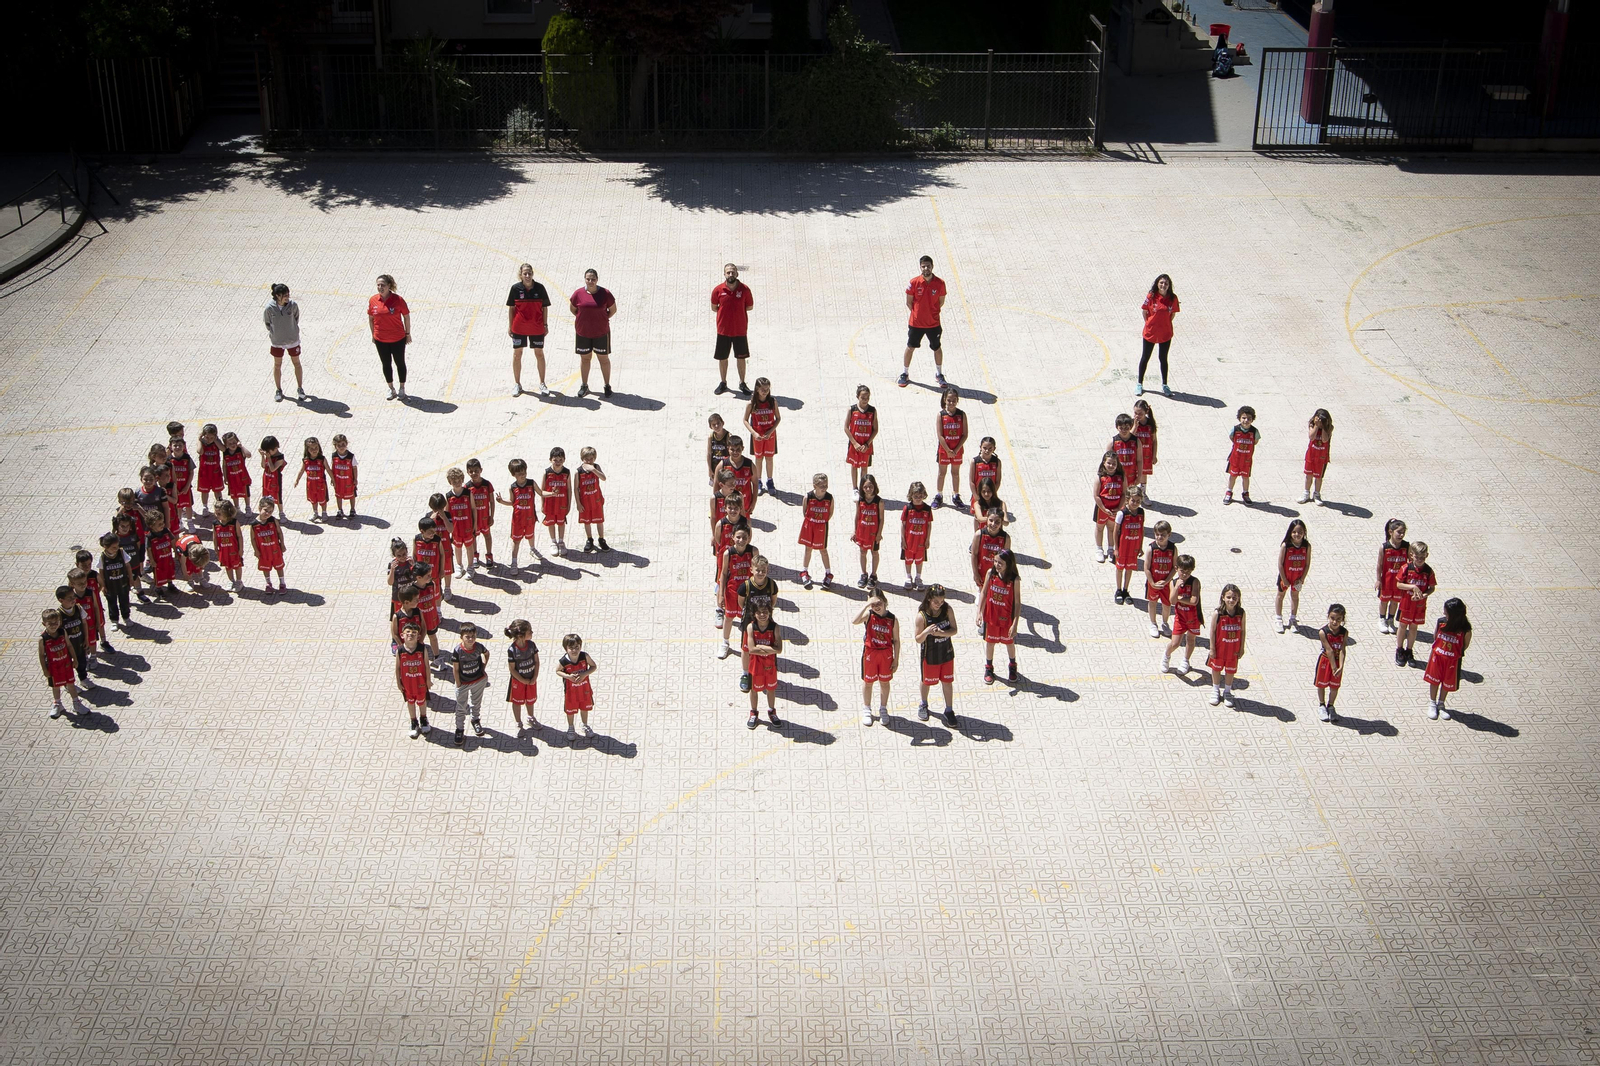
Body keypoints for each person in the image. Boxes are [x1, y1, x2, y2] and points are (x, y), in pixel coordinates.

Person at [854, 588, 900, 725]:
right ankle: (867, 709)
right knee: (868, 682)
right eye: (873, 605)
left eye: (878, 603)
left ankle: (883, 709)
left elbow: (896, 640)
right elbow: (854, 621)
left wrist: (896, 659)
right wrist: (866, 605)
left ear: (885, 602)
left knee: (884, 683)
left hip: (886, 654)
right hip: (870, 653)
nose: (876, 607)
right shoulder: (869, 615)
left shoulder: (892, 619)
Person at [900, 255, 948, 388]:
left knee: (936, 348)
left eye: (928, 266)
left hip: (933, 324)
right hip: (916, 324)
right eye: (923, 266)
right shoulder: (914, 282)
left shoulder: (940, 283)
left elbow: (941, 302)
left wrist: (931, 313)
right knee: (910, 347)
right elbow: (909, 302)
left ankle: (939, 374)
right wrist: (917, 314)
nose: (926, 268)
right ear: (920, 267)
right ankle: (904, 373)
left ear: (932, 266)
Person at [506, 262, 552, 397]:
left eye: (529, 273)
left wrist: (545, 325)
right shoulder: (515, 289)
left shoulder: (540, 288)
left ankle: (542, 383)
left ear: (532, 274)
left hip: (537, 327)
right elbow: (511, 308)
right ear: (520, 275)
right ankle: (517, 384)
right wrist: (510, 326)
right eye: (525, 273)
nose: (527, 275)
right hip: (519, 328)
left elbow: (544, 308)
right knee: (517, 354)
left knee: (539, 354)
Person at [569, 268, 616, 398]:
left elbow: (612, 310)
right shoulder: (578, 293)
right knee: (585, 359)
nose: (590, 281)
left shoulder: (605, 293)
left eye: (593, 279)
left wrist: (602, 318)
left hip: (601, 332)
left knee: (604, 359)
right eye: (588, 279)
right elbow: (573, 309)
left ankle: (607, 386)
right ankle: (584, 385)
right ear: (585, 279)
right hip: (583, 332)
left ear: (597, 280)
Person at [977, 547, 1021, 684]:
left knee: (1009, 643)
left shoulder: (1015, 579)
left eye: (1000, 563)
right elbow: (984, 593)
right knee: (990, 643)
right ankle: (989, 668)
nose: (997, 565)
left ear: (1009, 564)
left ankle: (1012, 666)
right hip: (991, 617)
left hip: (1006, 618)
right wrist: (979, 611)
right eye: (995, 561)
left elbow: (1018, 603)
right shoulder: (991, 573)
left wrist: (1015, 624)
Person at [915, 584, 958, 725]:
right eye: (936, 602)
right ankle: (923, 704)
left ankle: (949, 710)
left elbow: (954, 630)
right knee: (926, 681)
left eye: (941, 601)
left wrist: (941, 633)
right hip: (930, 655)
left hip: (946, 653)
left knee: (947, 682)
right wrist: (926, 632)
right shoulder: (922, 617)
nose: (939, 605)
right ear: (929, 599)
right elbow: (918, 639)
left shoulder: (947, 610)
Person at [1424, 597, 1471, 720]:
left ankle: (1441, 704)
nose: (1444, 613)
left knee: (1447, 682)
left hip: (1452, 661)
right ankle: (1432, 703)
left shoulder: (1465, 629)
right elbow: (1435, 637)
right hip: (1437, 657)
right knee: (1434, 680)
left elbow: (1465, 645)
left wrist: (1452, 654)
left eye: (1446, 612)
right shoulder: (1441, 622)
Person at [711, 263, 754, 396]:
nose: (730, 274)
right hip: (723, 330)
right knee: (722, 358)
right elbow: (714, 307)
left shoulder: (745, 289)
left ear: (737, 274)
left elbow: (749, 307)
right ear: (724, 274)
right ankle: (723, 383)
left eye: (733, 272)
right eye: (728, 272)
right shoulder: (718, 290)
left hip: (740, 330)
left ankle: (742, 383)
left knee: (741, 358)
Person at [368, 273, 411, 400]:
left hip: (397, 338)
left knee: (400, 363)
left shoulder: (398, 300)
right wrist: (373, 335)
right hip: (381, 339)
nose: (380, 287)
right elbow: (371, 318)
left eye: (383, 285)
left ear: (389, 286)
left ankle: (402, 388)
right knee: (386, 364)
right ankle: (391, 388)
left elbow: (406, 317)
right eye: (378, 285)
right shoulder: (373, 300)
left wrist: (407, 334)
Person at [717, 527, 757, 660]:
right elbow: (723, 574)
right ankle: (725, 642)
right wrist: (721, 594)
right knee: (728, 618)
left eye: (744, 537)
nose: (741, 540)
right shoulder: (728, 554)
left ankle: (749, 645)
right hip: (732, 591)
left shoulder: (753, 551)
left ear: (749, 538)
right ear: (733, 537)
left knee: (748, 621)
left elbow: (758, 573)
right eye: (738, 537)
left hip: (748, 594)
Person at [1137, 274, 1179, 397]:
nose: (1163, 285)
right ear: (1157, 284)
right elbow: (1145, 312)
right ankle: (1139, 384)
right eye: (1161, 283)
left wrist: (1164, 324)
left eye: (1166, 284)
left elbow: (1172, 315)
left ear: (1169, 286)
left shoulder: (1173, 298)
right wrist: (1150, 323)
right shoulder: (1151, 296)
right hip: (1151, 332)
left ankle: (1165, 385)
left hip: (1165, 333)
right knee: (1145, 357)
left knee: (1163, 358)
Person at [1394, 541, 1436, 666]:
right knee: (1402, 626)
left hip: (1419, 606)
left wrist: (1424, 595)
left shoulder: (1428, 571)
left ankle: (1409, 650)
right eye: (1417, 557)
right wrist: (1412, 587)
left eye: (1422, 557)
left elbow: (1432, 587)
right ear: (1411, 555)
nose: (1420, 560)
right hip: (1406, 604)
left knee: (1413, 627)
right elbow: (1399, 584)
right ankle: (1399, 649)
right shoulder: (1406, 568)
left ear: (1427, 555)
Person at [742, 601, 782, 728]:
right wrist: (770, 648)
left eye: (765, 612)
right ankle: (753, 713)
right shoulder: (750, 627)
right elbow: (752, 649)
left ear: (769, 612)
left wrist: (761, 646)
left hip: (770, 665)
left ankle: (772, 711)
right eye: (759, 612)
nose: (762, 615)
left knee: (771, 689)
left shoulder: (775, 627)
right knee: (754, 690)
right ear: (754, 614)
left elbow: (779, 649)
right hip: (755, 665)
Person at [264, 282, 307, 402]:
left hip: (292, 340)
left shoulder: (293, 305)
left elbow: (296, 318)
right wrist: (276, 333)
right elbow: (267, 323)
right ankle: (278, 390)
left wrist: (291, 330)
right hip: (277, 341)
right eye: (285, 295)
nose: (287, 297)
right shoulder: (269, 308)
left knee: (297, 363)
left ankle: (300, 388)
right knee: (277, 365)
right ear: (277, 296)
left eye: (288, 294)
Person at [1206, 584, 1247, 708]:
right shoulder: (1218, 613)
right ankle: (1215, 689)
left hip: (1233, 649)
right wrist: (1212, 648)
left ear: (1238, 599)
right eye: (1228, 597)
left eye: (1234, 598)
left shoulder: (1241, 613)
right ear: (1223, 597)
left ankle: (1228, 692)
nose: (1231, 600)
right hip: (1220, 648)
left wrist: (1241, 648)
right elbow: (1212, 631)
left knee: (1230, 670)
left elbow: (1243, 631)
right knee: (1217, 669)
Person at [1162, 555, 1202, 674]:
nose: (1185, 574)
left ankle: (1186, 661)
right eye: (1182, 571)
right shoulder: (1173, 582)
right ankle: (1166, 656)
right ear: (1177, 568)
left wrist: (1179, 598)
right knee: (1175, 643)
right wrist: (1177, 588)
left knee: (1190, 640)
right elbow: (1172, 601)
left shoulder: (1195, 582)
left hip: (1193, 616)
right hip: (1180, 617)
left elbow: (1194, 601)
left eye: (1188, 572)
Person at [450, 627, 490, 746]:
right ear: (461, 637)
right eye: (467, 636)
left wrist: (483, 667)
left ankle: (475, 720)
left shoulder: (478, 647)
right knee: (461, 707)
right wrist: (458, 684)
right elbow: (455, 669)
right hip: (463, 683)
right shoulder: (458, 651)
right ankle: (459, 729)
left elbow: (486, 654)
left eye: (473, 636)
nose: (471, 639)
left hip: (478, 680)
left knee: (476, 702)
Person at [498, 459, 540, 569]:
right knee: (516, 541)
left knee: (531, 535)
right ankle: (514, 562)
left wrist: (552, 493)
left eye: (524, 472)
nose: (523, 475)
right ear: (513, 474)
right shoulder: (513, 487)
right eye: (519, 473)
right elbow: (512, 502)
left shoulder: (531, 483)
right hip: (517, 519)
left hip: (530, 517)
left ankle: (532, 549)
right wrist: (502, 501)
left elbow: (541, 493)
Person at [40, 609, 81, 718]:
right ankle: (57, 704)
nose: (54, 625)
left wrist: (75, 659)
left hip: (66, 664)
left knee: (71, 684)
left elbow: (69, 645)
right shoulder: (43, 639)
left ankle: (76, 703)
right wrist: (45, 669)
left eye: (56, 622)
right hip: (53, 668)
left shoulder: (63, 632)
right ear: (44, 624)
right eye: (50, 623)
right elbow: (41, 655)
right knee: (56, 687)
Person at [558, 633, 598, 739]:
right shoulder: (564, 661)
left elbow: (594, 666)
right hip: (571, 692)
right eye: (571, 648)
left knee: (584, 708)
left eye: (577, 647)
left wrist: (585, 674)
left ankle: (585, 725)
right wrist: (568, 677)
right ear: (566, 648)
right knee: (570, 710)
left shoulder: (584, 656)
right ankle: (571, 728)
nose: (575, 650)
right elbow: (557, 671)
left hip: (584, 689)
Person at [1274, 519, 1312, 632]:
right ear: (1290, 532)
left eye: (1300, 532)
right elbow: (1280, 564)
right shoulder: (1286, 546)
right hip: (1285, 576)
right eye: (1294, 532)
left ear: (1304, 532)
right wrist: (1284, 579)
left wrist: (1302, 579)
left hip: (1297, 578)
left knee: (1295, 597)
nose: (1297, 534)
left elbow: (1307, 563)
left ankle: (1293, 619)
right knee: (1280, 596)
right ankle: (1278, 619)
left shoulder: (1307, 546)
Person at [797, 474, 834, 590]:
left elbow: (830, 513)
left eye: (826, 485)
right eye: (821, 485)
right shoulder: (808, 497)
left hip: (821, 526)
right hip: (810, 525)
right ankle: (804, 571)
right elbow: (804, 512)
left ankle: (828, 573)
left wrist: (821, 521)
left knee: (823, 550)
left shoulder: (829, 498)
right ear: (815, 485)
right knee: (808, 548)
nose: (824, 487)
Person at [743, 378, 780, 494]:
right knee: (758, 459)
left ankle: (770, 481)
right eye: (763, 389)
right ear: (757, 389)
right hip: (757, 436)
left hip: (770, 436)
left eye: (767, 389)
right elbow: (745, 420)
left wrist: (771, 431)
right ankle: (758, 481)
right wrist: (754, 433)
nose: (765, 391)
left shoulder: (772, 401)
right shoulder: (751, 404)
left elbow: (778, 418)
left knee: (769, 458)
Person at [504, 619, 541, 734]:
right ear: (520, 635)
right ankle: (518, 723)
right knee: (517, 702)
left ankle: (530, 717)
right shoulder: (512, 650)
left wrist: (534, 677)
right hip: (518, 682)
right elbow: (512, 669)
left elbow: (536, 661)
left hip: (531, 680)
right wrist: (522, 680)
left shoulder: (532, 645)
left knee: (530, 700)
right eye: (529, 631)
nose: (532, 633)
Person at [933, 388, 968, 508]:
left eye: (954, 400)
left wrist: (956, 449)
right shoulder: (941, 415)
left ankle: (956, 495)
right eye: (949, 400)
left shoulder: (961, 415)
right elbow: (940, 435)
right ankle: (939, 495)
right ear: (944, 400)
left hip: (957, 450)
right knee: (942, 473)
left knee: (955, 473)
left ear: (957, 400)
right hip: (944, 450)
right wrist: (948, 450)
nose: (951, 403)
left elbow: (965, 434)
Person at [396, 623, 431, 738]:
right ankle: (413, 721)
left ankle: (423, 718)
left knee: (422, 701)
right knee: (410, 702)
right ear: (402, 635)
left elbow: (426, 665)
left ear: (418, 636)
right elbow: (398, 668)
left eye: (414, 633)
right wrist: (398, 682)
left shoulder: (422, 649)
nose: (411, 635)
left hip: (420, 682)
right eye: (408, 632)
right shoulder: (400, 650)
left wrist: (428, 680)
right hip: (407, 683)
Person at [1375, 519, 1409, 635]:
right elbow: (1379, 565)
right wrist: (1378, 580)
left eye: (1403, 532)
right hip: (1387, 580)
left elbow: (1410, 562)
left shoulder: (1406, 546)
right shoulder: (1384, 547)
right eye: (1399, 532)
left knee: (1395, 602)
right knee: (1384, 601)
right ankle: (1382, 619)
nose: (1401, 535)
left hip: (1399, 581)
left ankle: (1391, 620)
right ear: (1390, 532)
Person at [1113, 485, 1146, 604]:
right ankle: (1118, 590)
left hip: (1134, 546)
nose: (1135, 503)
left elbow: (1141, 530)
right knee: (1120, 568)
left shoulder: (1141, 512)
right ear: (1127, 499)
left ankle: (1126, 590)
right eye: (1133, 500)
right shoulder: (1122, 513)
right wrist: (1116, 548)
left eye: (1138, 501)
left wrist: (1140, 546)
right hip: (1123, 546)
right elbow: (1116, 531)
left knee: (1130, 568)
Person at [844, 385, 878, 500]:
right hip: (855, 445)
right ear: (857, 397)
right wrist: (854, 443)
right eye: (863, 397)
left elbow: (875, 429)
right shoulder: (852, 410)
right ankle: (855, 489)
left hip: (866, 446)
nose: (865, 399)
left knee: (864, 467)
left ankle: (863, 488)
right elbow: (846, 428)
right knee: (854, 466)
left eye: (867, 397)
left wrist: (867, 444)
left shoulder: (872, 411)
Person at [1315, 604, 1347, 723]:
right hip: (1325, 661)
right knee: (1321, 684)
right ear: (1328, 616)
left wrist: (1341, 666)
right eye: (1332, 618)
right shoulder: (1323, 632)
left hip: (1337, 662)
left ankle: (1331, 706)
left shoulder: (1344, 632)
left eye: (1338, 619)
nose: (1335, 622)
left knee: (1334, 686)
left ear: (1342, 619)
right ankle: (1322, 705)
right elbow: (1329, 650)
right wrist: (1334, 667)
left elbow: (1343, 649)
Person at [1092, 451, 1125, 563]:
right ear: (1104, 463)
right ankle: (1099, 549)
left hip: (1115, 509)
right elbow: (1096, 495)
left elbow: (1124, 494)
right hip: (1102, 509)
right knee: (1100, 528)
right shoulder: (1100, 477)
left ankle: (1110, 549)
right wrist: (1103, 508)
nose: (1111, 466)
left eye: (1114, 464)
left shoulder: (1121, 477)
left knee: (1111, 528)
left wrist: (1119, 507)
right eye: (1109, 463)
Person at [539, 447, 572, 557]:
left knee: (561, 522)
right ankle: (553, 542)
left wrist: (569, 504)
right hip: (550, 503)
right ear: (550, 460)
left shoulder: (566, 472)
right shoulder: (546, 473)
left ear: (564, 460)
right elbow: (541, 489)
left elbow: (569, 489)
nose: (558, 462)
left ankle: (561, 542)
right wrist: (542, 504)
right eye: (555, 460)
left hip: (562, 503)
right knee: (551, 523)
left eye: (560, 460)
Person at [1145, 520, 1176, 638]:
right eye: (1157, 534)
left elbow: (1175, 567)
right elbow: (1146, 568)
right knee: (1152, 602)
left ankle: (1165, 623)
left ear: (1169, 534)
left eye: (1163, 534)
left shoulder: (1173, 548)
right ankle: (1153, 623)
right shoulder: (1151, 548)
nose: (1159, 537)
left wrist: (1167, 581)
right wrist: (1152, 583)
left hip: (1166, 583)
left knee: (1166, 605)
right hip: (1153, 582)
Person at [853, 475, 884, 589]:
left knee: (874, 553)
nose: (868, 489)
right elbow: (857, 516)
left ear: (874, 486)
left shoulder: (878, 501)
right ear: (862, 487)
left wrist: (879, 533)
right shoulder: (860, 500)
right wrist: (855, 531)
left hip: (873, 533)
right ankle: (864, 574)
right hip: (862, 531)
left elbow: (881, 519)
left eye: (870, 486)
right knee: (863, 552)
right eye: (865, 487)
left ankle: (873, 575)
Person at [97, 532, 133, 633]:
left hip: (122, 583)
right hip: (110, 585)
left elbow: (128, 566)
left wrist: (130, 579)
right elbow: (101, 571)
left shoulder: (121, 553)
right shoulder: (103, 557)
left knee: (124, 602)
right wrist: (103, 586)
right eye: (113, 547)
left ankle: (126, 617)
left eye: (117, 546)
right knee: (112, 603)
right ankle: (114, 620)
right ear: (105, 547)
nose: (116, 549)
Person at [445, 468, 478, 577]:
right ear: (450, 482)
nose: (457, 483)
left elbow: (474, 509)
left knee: (469, 547)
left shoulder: (468, 493)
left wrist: (475, 524)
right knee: (457, 547)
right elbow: (447, 513)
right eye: (454, 482)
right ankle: (459, 566)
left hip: (467, 527)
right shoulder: (449, 496)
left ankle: (470, 567)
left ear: (462, 480)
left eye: (459, 481)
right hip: (456, 529)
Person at [900, 481, 933, 589]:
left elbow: (929, 525)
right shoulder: (908, 508)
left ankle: (918, 577)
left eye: (920, 496)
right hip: (909, 540)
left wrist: (928, 539)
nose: (918, 498)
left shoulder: (927, 509)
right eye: (915, 496)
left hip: (921, 540)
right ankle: (908, 577)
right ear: (911, 496)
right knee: (908, 559)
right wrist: (903, 539)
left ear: (924, 495)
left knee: (919, 559)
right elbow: (903, 524)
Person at [1223, 406, 1259, 506]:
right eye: (1243, 418)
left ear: (1252, 420)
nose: (1246, 420)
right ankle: (1229, 492)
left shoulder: (1254, 432)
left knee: (1245, 477)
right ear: (1239, 418)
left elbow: (1255, 441)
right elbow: (1231, 437)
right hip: (1235, 459)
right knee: (1232, 476)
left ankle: (1245, 494)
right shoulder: (1235, 429)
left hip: (1246, 460)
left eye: (1249, 418)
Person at [251, 497, 287, 594]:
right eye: (266, 510)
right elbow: (253, 539)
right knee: (265, 567)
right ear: (259, 508)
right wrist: (256, 550)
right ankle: (268, 583)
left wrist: (282, 544)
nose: (268, 513)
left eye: (270, 511)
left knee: (279, 566)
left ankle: (282, 583)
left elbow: (279, 532)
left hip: (275, 549)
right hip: (263, 551)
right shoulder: (254, 524)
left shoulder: (273, 520)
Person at [716, 436, 757, 518]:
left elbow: (755, 484)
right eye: (732, 449)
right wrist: (716, 505)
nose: (735, 452)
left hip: (745, 503)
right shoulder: (722, 465)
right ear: (728, 449)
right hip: (729, 506)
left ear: (743, 448)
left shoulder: (749, 465)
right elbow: (716, 485)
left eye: (738, 449)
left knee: (744, 527)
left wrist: (754, 502)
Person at [576, 447, 608, 553]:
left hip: (596, 499)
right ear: (582, 458)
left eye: (591, 459)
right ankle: (589, 539)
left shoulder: (596, 467)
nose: (589, 461)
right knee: (587, 522)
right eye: (587, 459)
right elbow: (576, 488)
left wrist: (593, 469)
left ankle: (601, 539)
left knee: (599, 521)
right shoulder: (578, 472)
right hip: (585, 501)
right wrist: (578, 503)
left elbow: (603, 478)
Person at [970, 508, 1011, 588]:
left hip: (997, 574)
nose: (993, 524)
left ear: (1002, 522)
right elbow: (974, 555)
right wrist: (975, 573)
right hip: (981, 572)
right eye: (991, 520)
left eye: (997, 522)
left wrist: (1005, 576)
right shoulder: (979, 535)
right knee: (982, 595)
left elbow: (1007, 560)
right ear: (987, 519)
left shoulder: (1006, 538)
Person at [465, 458, 495, 566]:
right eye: (471, 471)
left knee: (487, 536)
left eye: (476, 471)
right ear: (467, 472)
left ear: (481, 470)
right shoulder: (467, 487)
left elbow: (492, 501)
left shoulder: (487, 484)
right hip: (474, 520)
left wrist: (492, 516)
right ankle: (475, 556)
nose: (474, 473)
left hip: (485, 518)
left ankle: (489, 555)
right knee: (473, 537)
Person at [1302, 408, 1334, 505]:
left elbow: (1324, 440)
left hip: (1322, 457)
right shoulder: (1312, 424)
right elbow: (1311, 437)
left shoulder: (1329, 428)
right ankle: (1306, 493)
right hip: (1311, 454)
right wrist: (1316, 425)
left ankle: (1317, 494)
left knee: (1319, 477)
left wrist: (1323, 426)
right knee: (1308, 475)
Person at [295, 437, 330, 522]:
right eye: (311, 448)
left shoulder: (322, 459)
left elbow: (328, 469)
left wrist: (333, 479)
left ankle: (324, 513)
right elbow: (301, 470)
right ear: (307, 449)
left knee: (322, 500)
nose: (314, 450)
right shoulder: (305, 460)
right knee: (313, 500)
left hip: (321, 485)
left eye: (316, 448)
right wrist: (297, 480)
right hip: (310, 485)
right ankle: (315, 513)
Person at [143, 508, 177, 595]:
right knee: (159, 574)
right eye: (159, 524)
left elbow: (173, 541)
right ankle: (158, 588)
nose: (162, 525)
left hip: (168, 557)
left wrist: (176, 552)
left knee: (169, 571)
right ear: (152, 526)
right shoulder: (149, 536)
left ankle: (170, 585)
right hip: (158, 561)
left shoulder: (166, 531)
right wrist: (152, 561)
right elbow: (148, 549)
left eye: (163, 523)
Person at [413, 515, 447, 600]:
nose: (433, 533)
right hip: (422, 573)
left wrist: (442, 569)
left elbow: (442, 555)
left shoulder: (437, 540)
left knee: (437, 593)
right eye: (430, 531)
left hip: (434, 572)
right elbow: (414, 555)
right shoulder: (416, 539)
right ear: (422, 531)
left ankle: (438, 610)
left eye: (434, 530)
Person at [212, 501, 244, 590]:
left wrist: (241, 549)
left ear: (226, 513)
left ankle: (239, 581)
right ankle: (231, 581)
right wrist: (216, 548)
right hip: (223, 550)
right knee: (227, 566)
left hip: (234, 549)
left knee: (237, 566)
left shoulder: (234, 522)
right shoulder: (215, 524)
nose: (216, 515)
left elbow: (239, 536)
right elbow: (215, 537)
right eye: (215, 513)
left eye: (219, 513)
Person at [167, 436, 196, 531]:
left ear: (184, 446)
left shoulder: (187, 458)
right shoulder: (169, 460)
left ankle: (190, 521)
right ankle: (179, 521)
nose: (178, 447)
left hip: (185, 487)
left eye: (180, 445)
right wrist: (173, 488)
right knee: (178, 506)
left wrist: (187, 486)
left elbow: (191, 472)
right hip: (175, 488)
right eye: (175, 445)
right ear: (170, 447)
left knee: (188, 505)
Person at [967, 437, 1000, 516]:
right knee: (977, 517)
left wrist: (993, 494)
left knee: (990, 516)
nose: (987, 451)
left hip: (990, 495)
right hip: (978, 495)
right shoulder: (975, 461)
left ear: (994, 448)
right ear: (980, 447)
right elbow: (971, 481)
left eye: (990, 448)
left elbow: (998, 481)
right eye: (984, 448)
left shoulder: (997, 462)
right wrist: (976, 496)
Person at [222, 432, 253, 514]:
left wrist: (241, 446)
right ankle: (237, 508)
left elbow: (249, 455)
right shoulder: (225, 453)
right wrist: (225, 477)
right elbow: (224, 465)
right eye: (230, 443)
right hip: (232, 477)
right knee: (234, 494)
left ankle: (248, 507)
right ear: (226, 445)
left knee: (246, 493)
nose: (233, 444)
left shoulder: (240, 450)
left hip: (242, 476)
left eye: (234, 442)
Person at [196, 423, 224, 513]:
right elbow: (199, 451)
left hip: (215, 471)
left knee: (217, 490)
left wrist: (215, 440)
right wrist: (200, 440)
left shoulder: (216, 442)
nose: (209, 440)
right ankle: (205, 507)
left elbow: (223, 449)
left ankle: (220, 505)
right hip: (204, 471)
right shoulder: (201, 442)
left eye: (211, 438)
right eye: (207, 437)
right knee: (204, 491)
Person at [1133, 400, 1158, 501]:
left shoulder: (1150, 424)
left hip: (1146, 454)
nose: (1137, 416)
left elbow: (1155, 440)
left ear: (1146, 412)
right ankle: (1131, 494)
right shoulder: (1132, 423)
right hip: (1135, 454)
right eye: (1135, 413)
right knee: (1132, 473)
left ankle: (1143, 494)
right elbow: (1130, 436)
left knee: (1143, 474)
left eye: (1140, 414)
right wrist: (1135, 426)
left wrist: (1154, 455)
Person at [1110, 413, 1144, 487]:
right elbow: (1108, 461)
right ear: (1116, 427)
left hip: (1132, 477)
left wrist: (1139, 476)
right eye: (1121, 428)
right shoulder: (1113, 442)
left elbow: (1140, 460)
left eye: (1126, 428)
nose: (1124, 430)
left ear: (1131, 427)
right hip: (1118, 477)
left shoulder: (1136, 441)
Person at [331, 434, 359, 520]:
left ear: (346, 444)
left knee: (351, 495)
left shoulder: (351, 456)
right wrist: (332, 479)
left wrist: (355, 479)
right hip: (338, 481)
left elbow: (354, 468)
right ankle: (340, 510)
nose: (341, 447)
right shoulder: (334, 456)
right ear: (335, 446)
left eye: (343, 444)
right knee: (338, 495)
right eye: (339, 445)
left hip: (348, 481)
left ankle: (352, 509)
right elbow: (332, 467)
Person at [260, 437, 288, 520]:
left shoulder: (280, 458)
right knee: (266, 497)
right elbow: (263, 466)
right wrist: (262, 456)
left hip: (275, 480)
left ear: (275, 448)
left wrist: (268, 458)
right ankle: (266, 513)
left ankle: (281, 514)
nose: (267, 453)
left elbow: (272, 469)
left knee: (278, 498)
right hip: (266, 479)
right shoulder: (269, 454)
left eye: (268, 451)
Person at [705, 414, 731, 487]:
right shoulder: (711, 437)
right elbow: (709, 454)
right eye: (714, 425)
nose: (716, 426)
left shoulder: (728, 436)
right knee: (716, 488)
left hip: (725, 467)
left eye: (718, 423)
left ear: (723, 423)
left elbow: (731, 453)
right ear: (710, 427)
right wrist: (710, 469)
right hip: (715, 466)